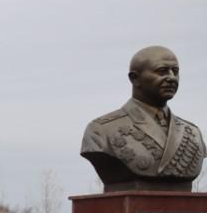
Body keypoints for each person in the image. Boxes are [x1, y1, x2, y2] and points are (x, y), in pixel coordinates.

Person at [81, 45, 204, 190]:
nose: (171, 77)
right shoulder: (101, 130)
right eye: (162, 71)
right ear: (135, 78)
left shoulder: (192, 132)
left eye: (175, 71)